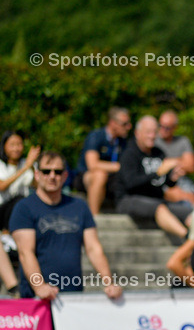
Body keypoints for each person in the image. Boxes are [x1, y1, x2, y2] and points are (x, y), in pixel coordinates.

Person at [11, 151, 122, 301]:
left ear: (65, 176)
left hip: (73, 298)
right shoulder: (24, 208)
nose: (52, 176)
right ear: (37, 175)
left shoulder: (79, 206)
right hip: (37, 299)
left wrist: (109, 282)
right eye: (46, 171)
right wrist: (39, 286)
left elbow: (93, 248)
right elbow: (26, 253)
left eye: (57, 172)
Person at [113, 115, 192, 240]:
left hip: (156, 199)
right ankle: (188, 238)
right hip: (129, 200)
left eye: (154, 132)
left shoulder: (159, 153)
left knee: (189, 212)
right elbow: (131, 183)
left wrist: (172, 177)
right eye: (148, 132)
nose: (152, 136)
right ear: (138, 133)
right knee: (159, 208)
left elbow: (165, 183)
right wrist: (158, 172)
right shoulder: (129, 154)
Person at [0, 131, 39, 295]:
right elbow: (2, 186)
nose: (17, 148)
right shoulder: (2, 165)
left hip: (21, 212)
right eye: (12, 144)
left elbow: (38, 185)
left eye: (19, 144)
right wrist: (25, 168)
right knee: (18, 201)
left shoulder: (28, 164)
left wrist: (31, 165)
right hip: (3, 210)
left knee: (24, 203)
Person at [75, 107, 132, 215]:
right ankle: (94, 217)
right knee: (100, 175)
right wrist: (118, 166)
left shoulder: (123, 142)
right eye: (124, 124)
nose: (129, 127)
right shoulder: (96, 136)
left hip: (111, 179)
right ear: (113, 123)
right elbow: (92, 164)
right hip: (86, 177)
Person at [155, 110, 194, 205]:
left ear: (175, 128)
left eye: (167, 127)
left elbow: (191, 166)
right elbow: (158, 170)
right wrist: (181, 161)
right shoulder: (154, 141)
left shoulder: (183, 141)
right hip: (161, 182)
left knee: (191, 199)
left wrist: (170, 162)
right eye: (160, 126)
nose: (162, 129)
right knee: (180, 196)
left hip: (181, 181)